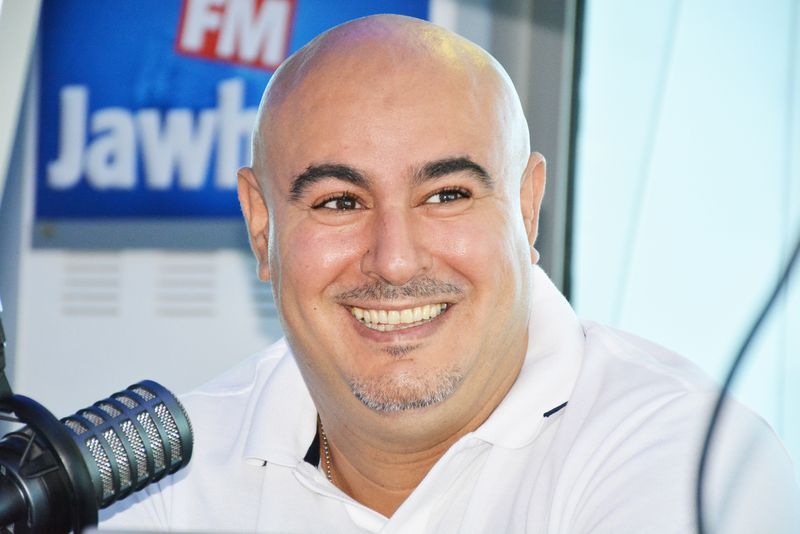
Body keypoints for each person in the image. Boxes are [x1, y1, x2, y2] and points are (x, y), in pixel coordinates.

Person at [100, 14, 799, 533]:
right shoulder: (159, 479)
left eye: (446, 195)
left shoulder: (685, 455)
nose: (395, 260)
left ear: (527, 208)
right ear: (262, 226)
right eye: (340, 202)